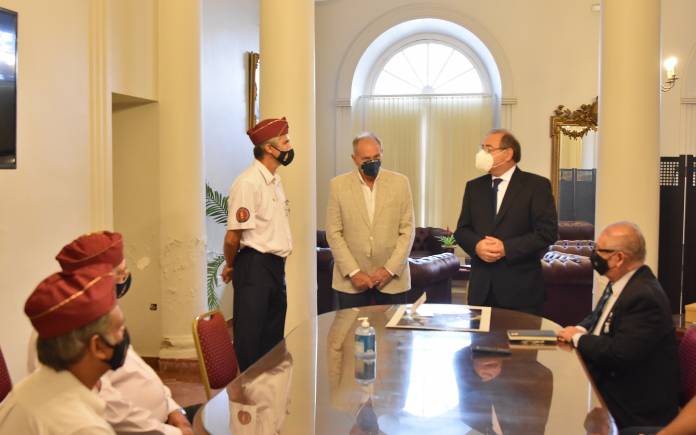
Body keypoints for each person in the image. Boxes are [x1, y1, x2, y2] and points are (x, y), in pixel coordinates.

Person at [557, 221, 679, 430]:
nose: (594, 255)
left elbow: (618, 353)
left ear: (619, 258)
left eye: (600, 250)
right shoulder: (621, 281)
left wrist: (577, 338)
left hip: (632, 406)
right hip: (611, 384)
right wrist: (580, 329)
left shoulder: (644, 297)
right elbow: (597, 317)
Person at [0, 264, 126, 434]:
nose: (124, 335)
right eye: (119, 328)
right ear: (98, 347)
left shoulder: (29, 387)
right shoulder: (84, 428)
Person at [454, 129, 557, 315]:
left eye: (489, 149)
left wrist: (506, 248)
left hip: (521, 291)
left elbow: (547, 233)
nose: (483, 154)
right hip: (481, 291)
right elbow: (462, 230)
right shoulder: (474, 187)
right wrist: (477, 245)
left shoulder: (537, 185)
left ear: (508, 153)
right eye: (482, 148)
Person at [221, 117, 294, 371]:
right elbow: (233, 237)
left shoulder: (274, 180)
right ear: (269, 149)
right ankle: (247, 392)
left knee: (272, 340)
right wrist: (231, 265)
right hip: (254, 266)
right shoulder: (248, 182)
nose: (289, 146)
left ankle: (269, 391)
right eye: (285, 142)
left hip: (275, 267)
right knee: (250, 339)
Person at [325, 132, 415, 309]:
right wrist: (354, 272)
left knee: (393, 328)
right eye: (366, 159)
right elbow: (334, 232)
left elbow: (408, 230)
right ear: (354, 159)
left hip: (393, 281)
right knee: (350, 327)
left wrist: (389, 270)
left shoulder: (400, 183)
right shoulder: (338, 185)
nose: (372, 162)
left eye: (376, 157)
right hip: (351, 283)